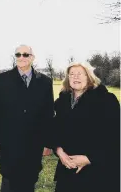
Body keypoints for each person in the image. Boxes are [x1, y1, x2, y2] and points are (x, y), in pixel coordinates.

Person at [0, 45, 54, 192]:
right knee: (9, 179)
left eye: (25, 54)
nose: (21, 58)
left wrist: (48, 143)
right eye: (18, 55)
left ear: (32, 57)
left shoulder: (45, 81)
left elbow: (48, 114)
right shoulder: (2, 79)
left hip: (34, 142)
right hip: (9, 141)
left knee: (30, 178)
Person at [50, 62, 120, 192]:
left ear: (89, 77)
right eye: (71, 74)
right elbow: (54, 130)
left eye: (79, 74)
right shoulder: (62, 101)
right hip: (67, 169)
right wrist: (59, 151)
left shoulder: (106, 100)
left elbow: (115, 137)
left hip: (97, 172)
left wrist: (89, 159)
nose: (75, 77)